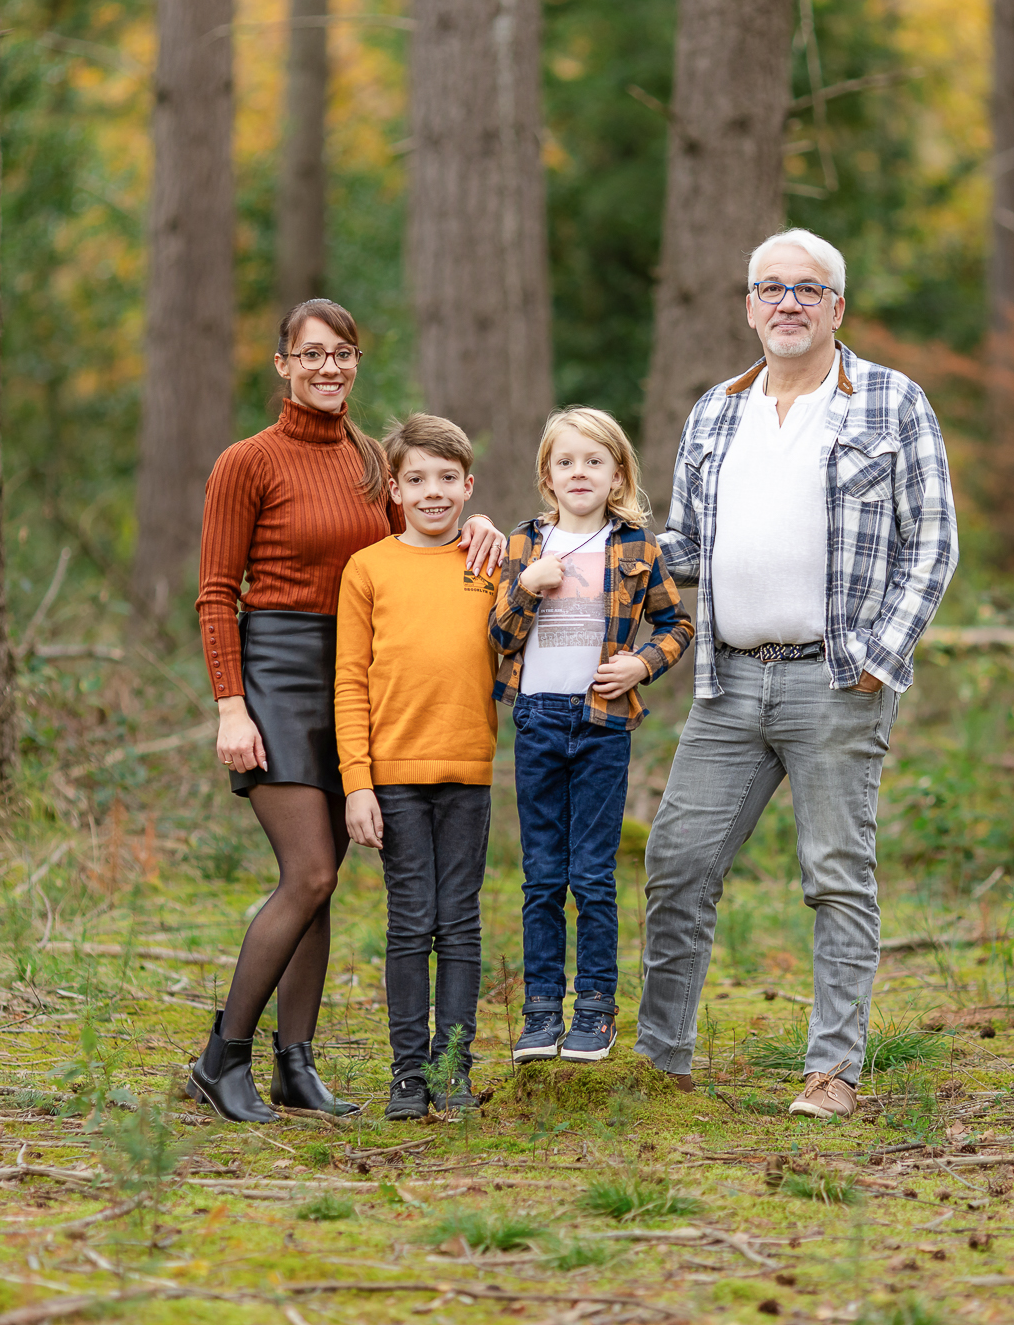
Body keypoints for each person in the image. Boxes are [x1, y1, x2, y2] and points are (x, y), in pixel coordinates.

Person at [636, 229, 958, 1118]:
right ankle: (660, 1065)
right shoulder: (716, 412)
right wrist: (587, 548)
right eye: (771, 288)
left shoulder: (892, 403)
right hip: (727, 683)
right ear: (748, 306)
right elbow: (686, 546)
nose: (788, 303)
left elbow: (932, 544)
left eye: (808, 290)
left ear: (837, 307)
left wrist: (876, 661)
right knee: (677, 862)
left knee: (836, 875)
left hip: (835, 680)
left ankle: (831, 1072)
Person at [189, 300, 505, 1124]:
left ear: (356, 364)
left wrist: (483, 532)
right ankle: (222, 1056)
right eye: (313, 354)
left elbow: (421, 540)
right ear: (284, 364)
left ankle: (297, 1065)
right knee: (311, 872)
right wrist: (232, 707)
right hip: (276, 675)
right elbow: (217, 594)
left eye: (344, 354)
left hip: (356, 676)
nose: (330, 368)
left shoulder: (376, 461)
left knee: (324, 886)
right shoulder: (246, 463)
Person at [489, 407, 694, 1065]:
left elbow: (677, 625)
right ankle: (542, 1009)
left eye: (595, 462)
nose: (580, 472)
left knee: (593, 876)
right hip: (537, 719)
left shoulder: (636, 548)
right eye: (566, 461)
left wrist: (642, 663)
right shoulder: (525, 546)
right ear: (547, 477)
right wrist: (525, 589)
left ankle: (596, 1013)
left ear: (618, 476)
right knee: (542, 875)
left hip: (603, 724)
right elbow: (496, 638)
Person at [334, 415, 499, 1121]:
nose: (432, 493)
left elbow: (559, 546)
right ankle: (407, 1074)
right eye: (416, 480)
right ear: (394, 492)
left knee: (459, 922)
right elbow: (350, 681)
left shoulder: (490, 561)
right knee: (410, 922)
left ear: (468, 484)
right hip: (393, 777)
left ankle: (453, 1067)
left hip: (469, 771)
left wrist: (496, 529)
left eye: (447, 479)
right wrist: (357, 782)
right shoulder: (368, 568)